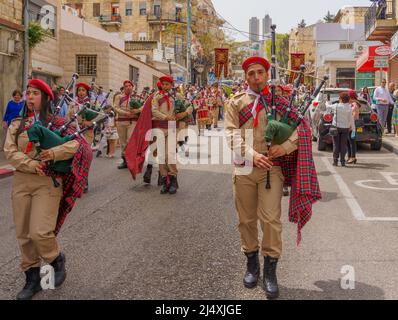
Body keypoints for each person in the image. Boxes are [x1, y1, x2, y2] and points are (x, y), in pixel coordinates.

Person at [225, 56, 321, 299]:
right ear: (245, 77)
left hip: (272, 170)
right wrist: (252, 154)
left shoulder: (281, 101)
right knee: (246, 220)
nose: (256, 77)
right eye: (251, 73)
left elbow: (301, 132)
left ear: (267, 74)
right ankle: (251, 265)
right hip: (244, 168)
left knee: (270, 221)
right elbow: (231, 135)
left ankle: (270, 272)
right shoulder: (235, 103)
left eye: (260, 72)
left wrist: (284, 148)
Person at [4, 79, 92, 300]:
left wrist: (53, 153)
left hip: (48, 182)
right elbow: (10, 152)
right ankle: (32, 279)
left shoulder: (59, 122)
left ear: (45, 98)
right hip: (23, 180)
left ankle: (55, 259)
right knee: (24, 234)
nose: (30, 97)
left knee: (40, 232)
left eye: (35, 93)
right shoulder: (17, 124)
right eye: (28, 93)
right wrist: (33, 165)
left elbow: (77, 145)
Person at [151, 75, 185, 195]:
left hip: (171, 128)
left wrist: (183, 113)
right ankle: (165, 180)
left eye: (167, 84)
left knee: (169, 154)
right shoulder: (156, 97)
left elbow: (189, 106)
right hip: (159, 127)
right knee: (161, 155)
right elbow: (154, 110)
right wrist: (166, 117)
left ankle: (173, 179)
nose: (165, 86)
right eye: (163, 84)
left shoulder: (177, 96)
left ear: (171, 85)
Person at [114, 80, 142, 170]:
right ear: (124, 87)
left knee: (131, 140)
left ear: (132, 87)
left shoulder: (137, 97)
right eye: (126, 86)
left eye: (130, 86)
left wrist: (137, 110)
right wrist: (125, 113)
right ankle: (125, 160)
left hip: (133, 122)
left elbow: (143, 106)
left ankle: (133, 160)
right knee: (123, 142)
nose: (128, 87)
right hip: (121, 121)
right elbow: (115, 107)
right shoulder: (119, 96)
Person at [331, 92, 354, 167]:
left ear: (340, 99)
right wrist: (353, 128)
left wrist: (326, 102)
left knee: (336, 145)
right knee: (343, 145)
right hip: (345, 128)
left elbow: (327, 106)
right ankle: (342, 161)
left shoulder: (336, 106)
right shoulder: (349, 107)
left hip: (336, 127)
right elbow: (351, 119)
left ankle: (335, 161)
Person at [347, 90, 360, 165]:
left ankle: (353, 157)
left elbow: (354, 115)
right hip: (350, 124)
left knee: (352, 141)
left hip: (352, 124)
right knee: (349, 141)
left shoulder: (354, 104)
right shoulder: (351, 103)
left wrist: (350, 124)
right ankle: (350, 157)